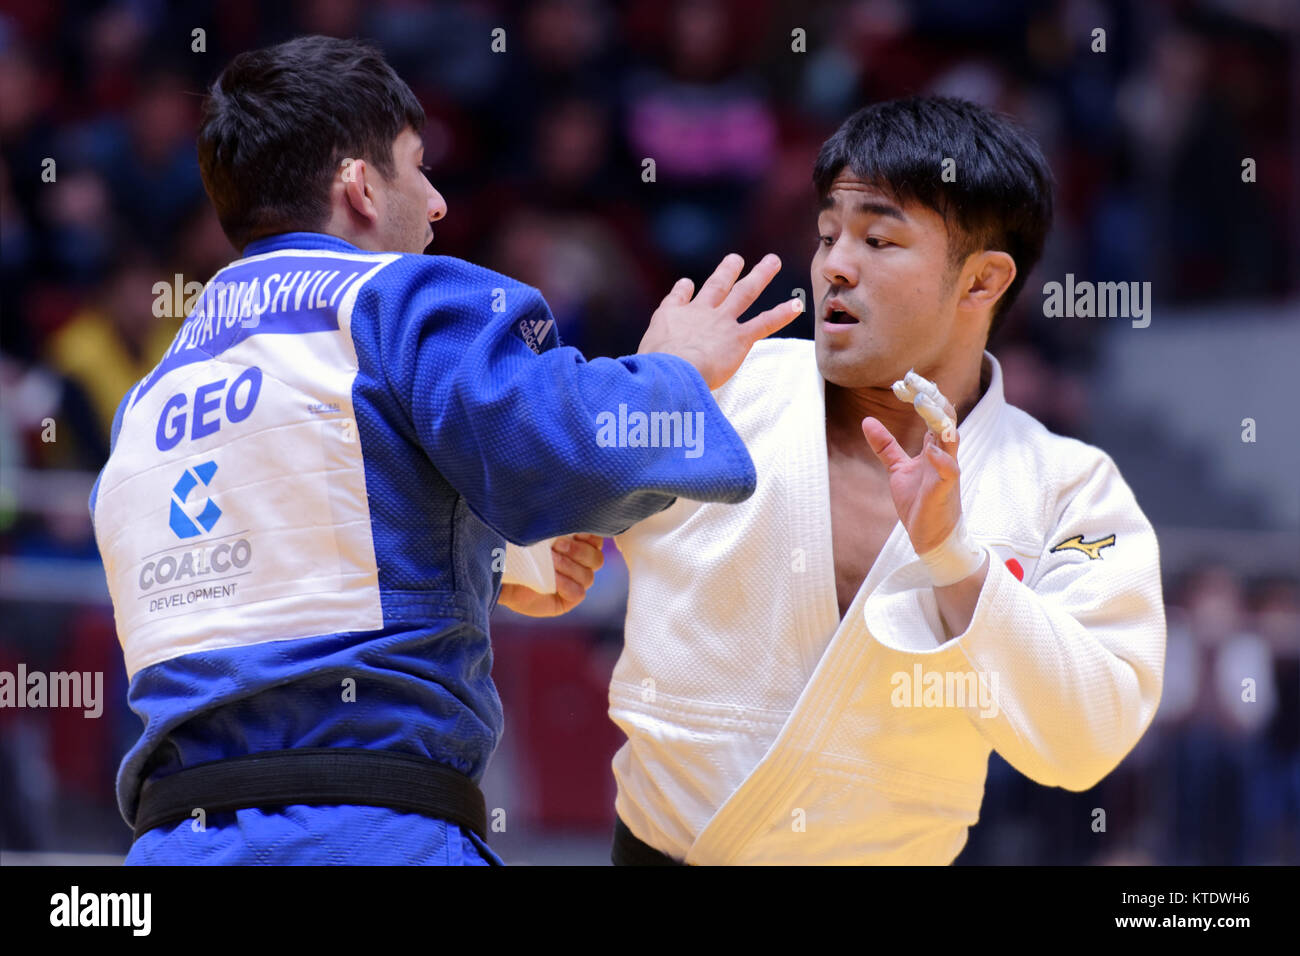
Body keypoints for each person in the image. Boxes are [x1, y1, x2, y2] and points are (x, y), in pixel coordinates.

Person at [86, 35, 802, 865]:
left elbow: (293, 555)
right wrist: (674, 369)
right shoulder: (393, 297)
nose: (435, 204)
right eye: (415, 167)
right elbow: (560, 452)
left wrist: (491, 560)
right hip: (368, 835)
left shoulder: (150, 400)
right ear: (359, 186)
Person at [600, 97, 1167, 864]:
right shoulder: (716, 389)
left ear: (981, 282)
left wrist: (956, 564)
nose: (835, 263)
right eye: (828, 233)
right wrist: (636, 400)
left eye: (877, 238)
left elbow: (1089, 737)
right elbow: (526, 546)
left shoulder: (1068, 489)